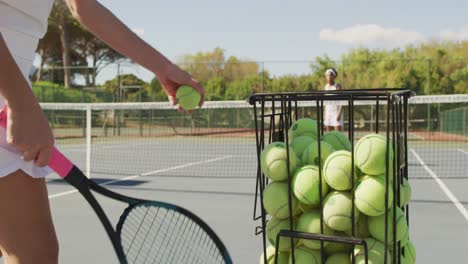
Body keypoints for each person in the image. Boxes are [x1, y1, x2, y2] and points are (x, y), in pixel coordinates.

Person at [0, 0, 204, 263]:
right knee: (34, 254)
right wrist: (21, 104)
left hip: (10, 92)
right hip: (10, 94)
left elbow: (82, 6)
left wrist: (163, 68)